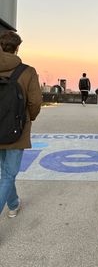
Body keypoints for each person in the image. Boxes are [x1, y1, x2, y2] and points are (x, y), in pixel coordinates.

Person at [0, 31, 42, 218]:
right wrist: (28, 119)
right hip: (16, 128)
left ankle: (14, 203)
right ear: (17, 48)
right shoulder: (28, 72)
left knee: (5, 173)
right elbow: (35, 102)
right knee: (8, 175)